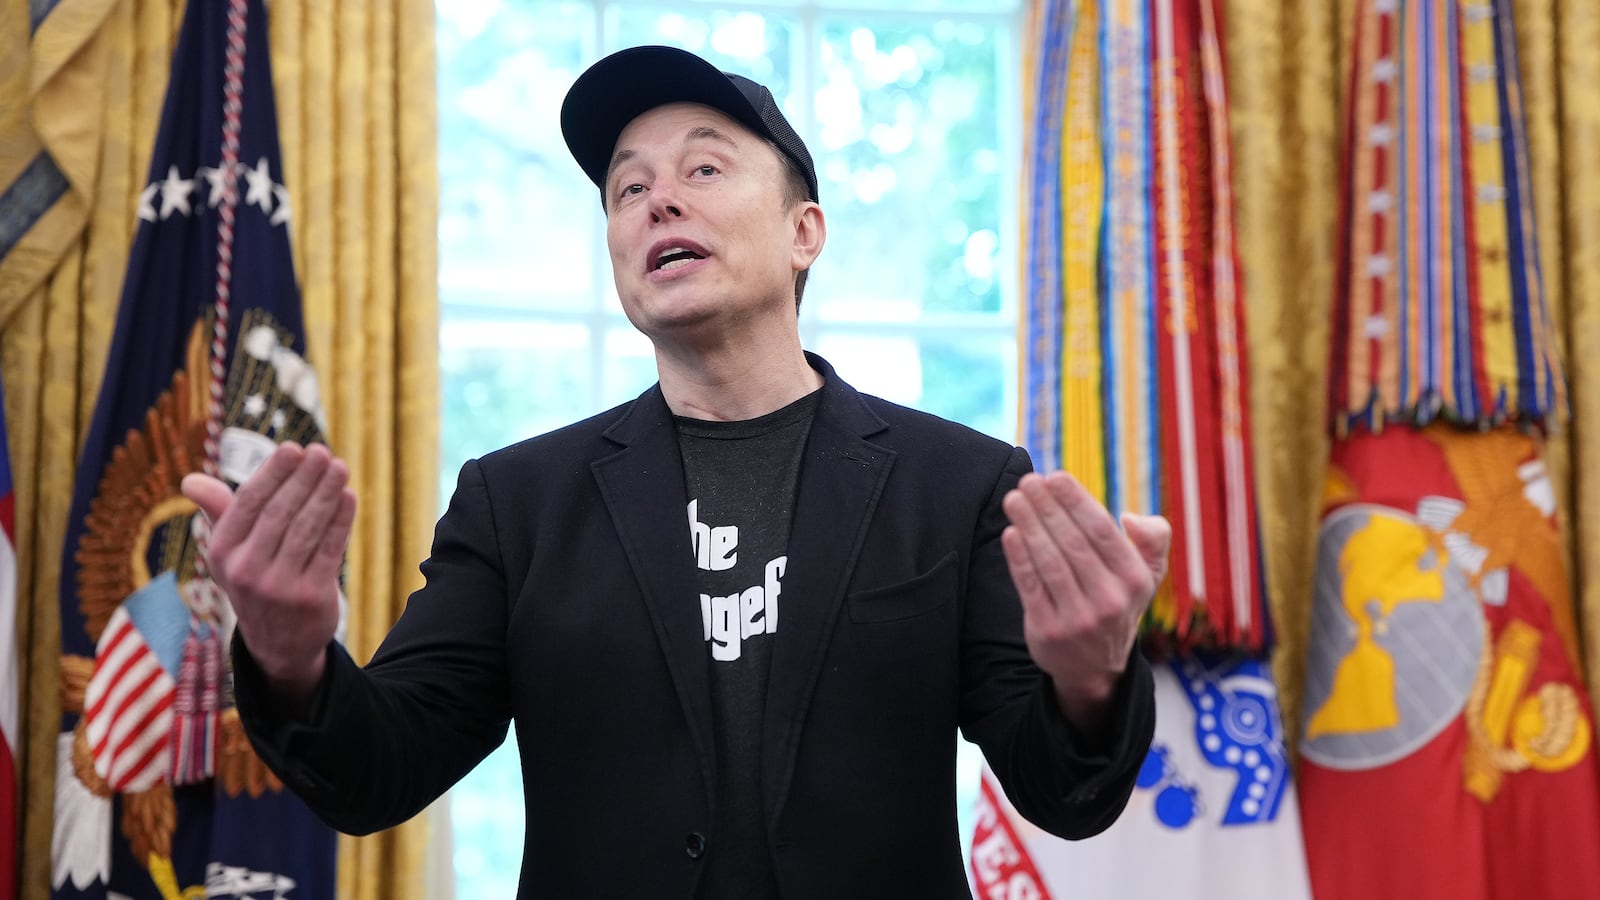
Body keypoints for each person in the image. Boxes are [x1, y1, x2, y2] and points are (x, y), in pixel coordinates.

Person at [182, 45, 1170, 899]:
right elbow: (376, 775)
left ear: (803, 234)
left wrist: (1089, 681)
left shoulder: (956, 484)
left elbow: (1061, 796)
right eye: (626, 187)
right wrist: (290, 657)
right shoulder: (517, 503)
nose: (659, 198)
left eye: (704, 166)